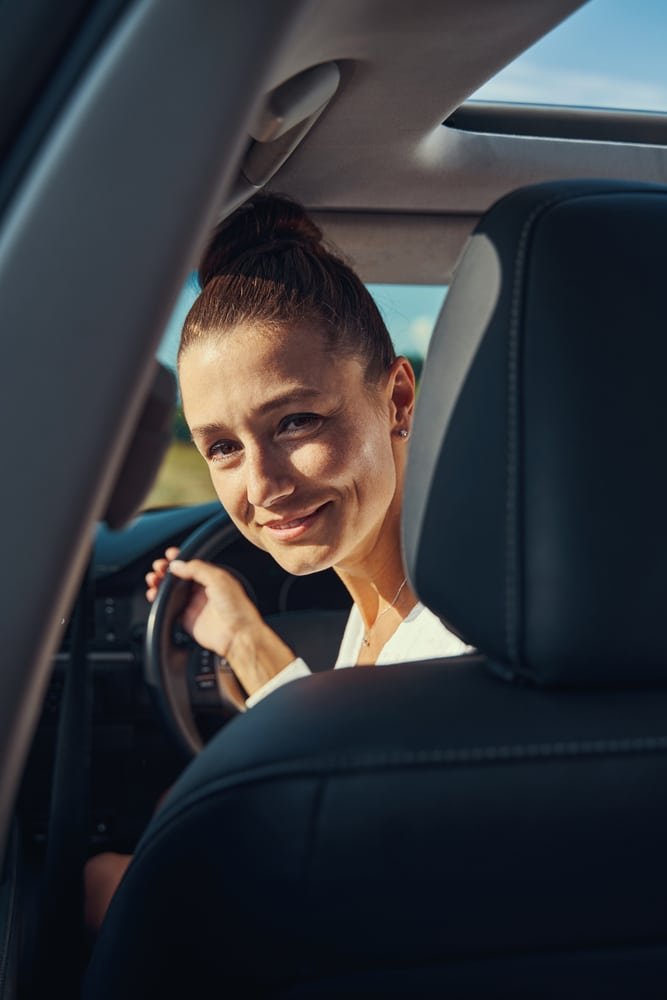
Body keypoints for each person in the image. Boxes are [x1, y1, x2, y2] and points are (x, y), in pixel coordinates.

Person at [84, 193, 470, 930]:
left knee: (101, 883)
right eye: (223, 447)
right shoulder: (385, 610)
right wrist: (244, 641)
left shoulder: (455, 638)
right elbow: (343, 773)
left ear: (395, 398)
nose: (261, 485)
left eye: (295, 421)